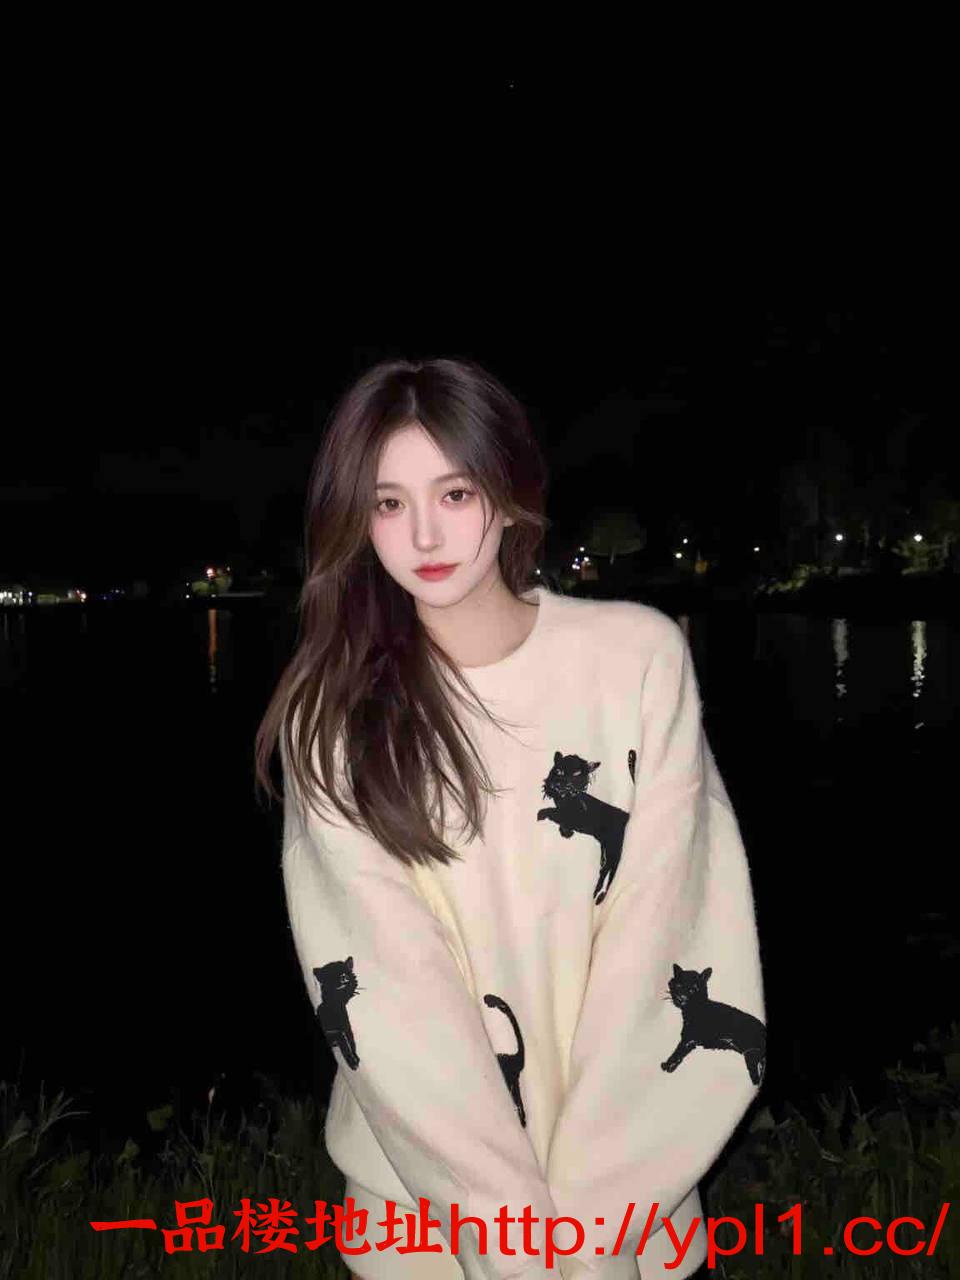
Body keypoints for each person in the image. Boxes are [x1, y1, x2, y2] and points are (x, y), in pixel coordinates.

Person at [254, 357, 765, 1280]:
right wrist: (520, 1250)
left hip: (634, 1220)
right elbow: (393, 1002)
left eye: (454, 492)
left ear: (509, 490)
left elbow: (673, 935)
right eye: (387, 503)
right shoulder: (332, 721)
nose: (425, 534)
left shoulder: (636, 662)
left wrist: (595, 1229)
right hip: (422, 1227)